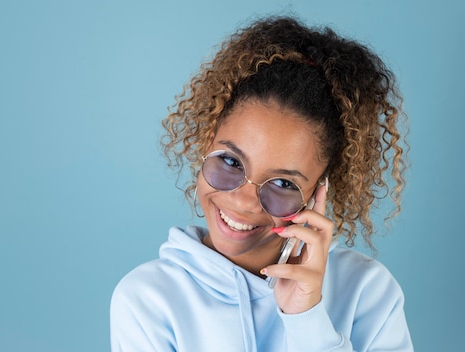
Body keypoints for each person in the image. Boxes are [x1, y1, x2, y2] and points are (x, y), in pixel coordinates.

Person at [110, 16, 413, 351]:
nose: (244, 201)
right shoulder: (147, 301)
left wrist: (307, 318)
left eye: (283, 183)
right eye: (230, 161)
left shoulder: (367, 292)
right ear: (208, 142)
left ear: (318, 192)